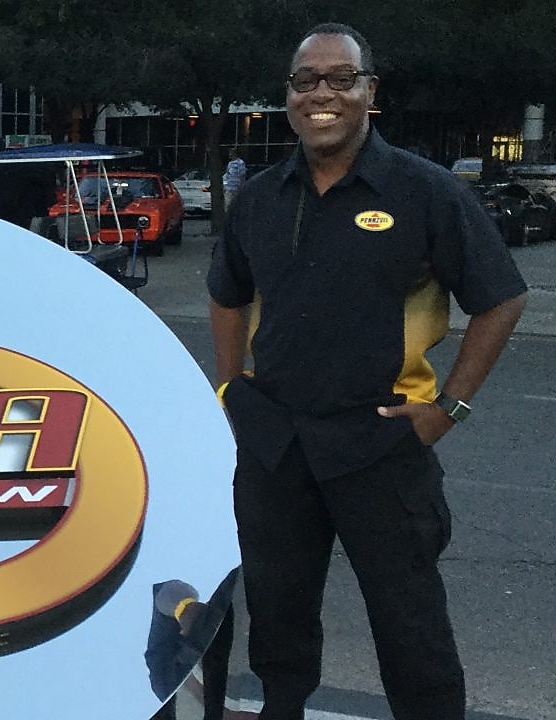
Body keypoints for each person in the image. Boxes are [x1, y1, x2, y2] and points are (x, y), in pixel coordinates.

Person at [207, 23, 527, 720]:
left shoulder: (425, 191)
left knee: (410, 625)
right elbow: (227, 295)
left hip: (381, 441)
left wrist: (449, 409)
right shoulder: (259, 197)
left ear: (369, 92)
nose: (321, 93)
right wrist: (231, 390)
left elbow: (501, 298)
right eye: (306, 80)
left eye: (340, 79)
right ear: (289, 95)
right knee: (277, 616)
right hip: (276, 445)